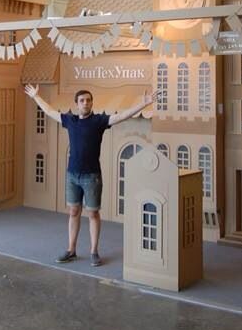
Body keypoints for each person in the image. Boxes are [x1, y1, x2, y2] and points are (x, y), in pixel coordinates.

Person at [24, 84, 157, 266]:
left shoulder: (99, 121)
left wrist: (144, 104)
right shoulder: (70, 120)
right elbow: (49, 111)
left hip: (92, 176)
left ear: (91, 103)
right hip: (72, 175)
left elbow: (121, 116)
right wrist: (36, 97)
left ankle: (94, 251)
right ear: (77, 104)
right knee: (73, 211)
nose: (85, 103)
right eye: (82, 100)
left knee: (93, 213)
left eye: (88, 100)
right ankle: (71, 250)